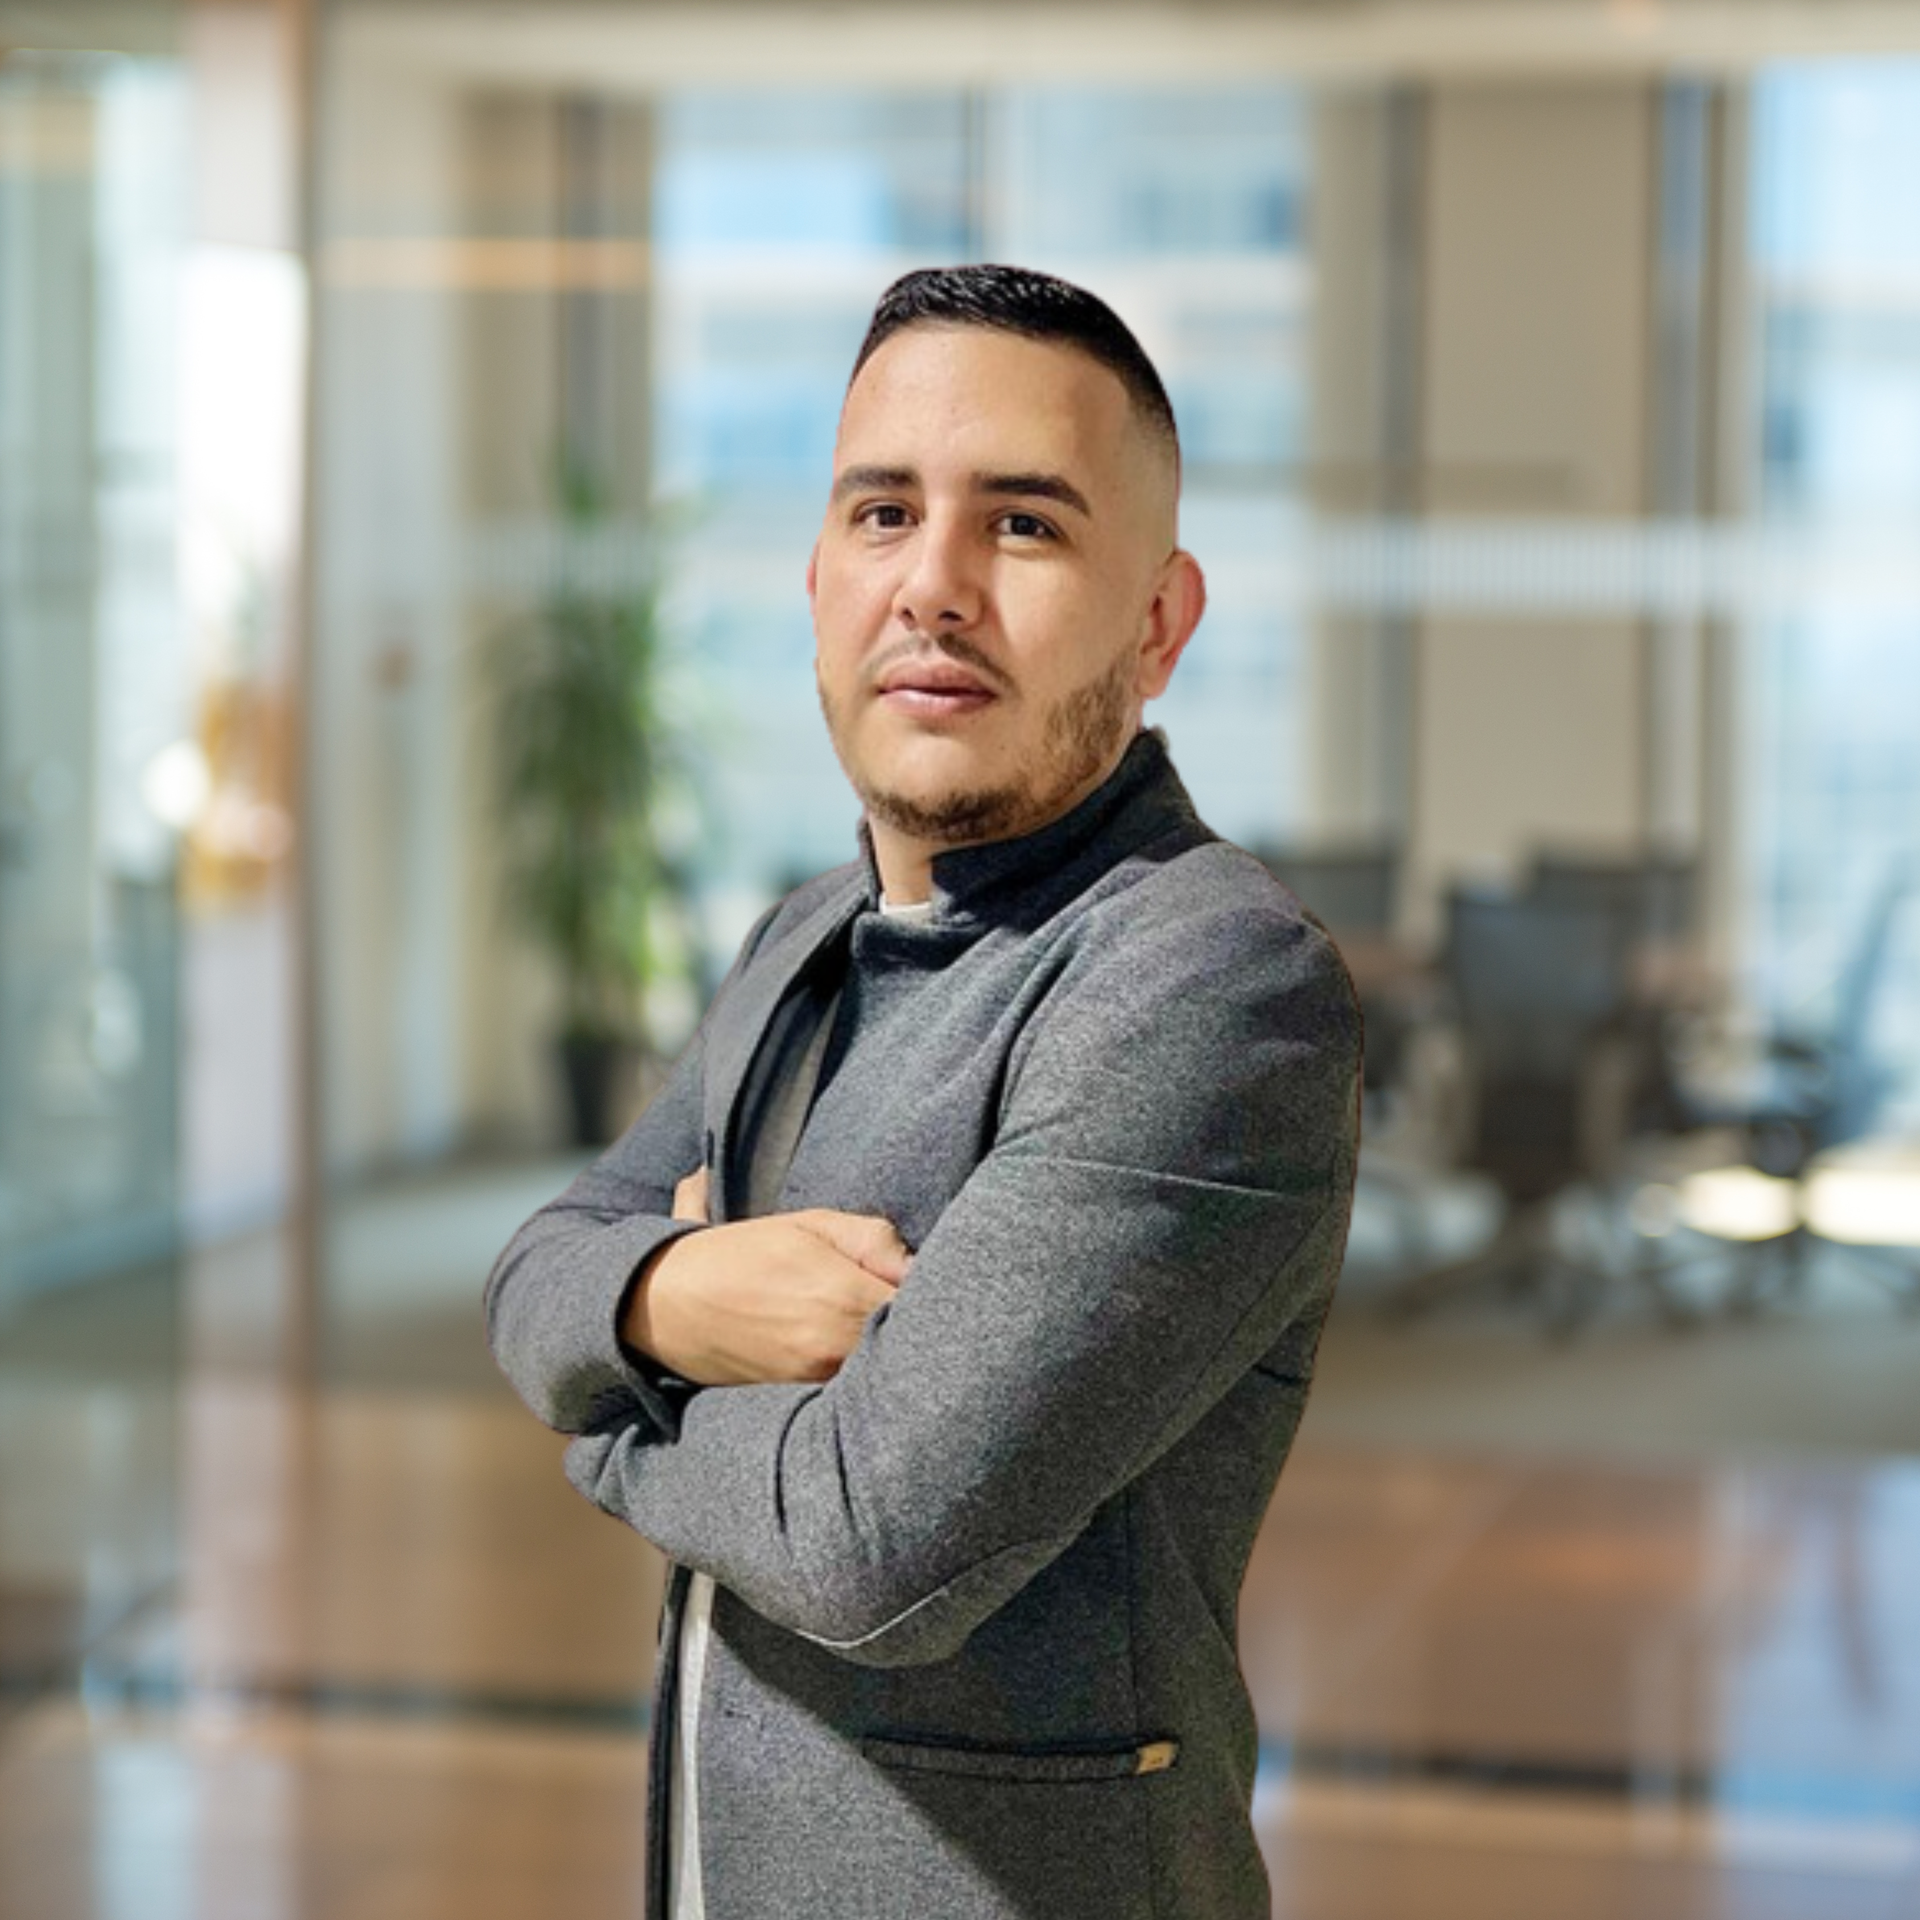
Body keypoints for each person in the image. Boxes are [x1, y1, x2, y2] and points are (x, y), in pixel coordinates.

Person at [486, 264, 1362, 1920]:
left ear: (1159, 622)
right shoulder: (803, 934)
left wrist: (604, 1406)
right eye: (885, 514)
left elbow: (868, 1545)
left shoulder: (1212, 984)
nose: (935, 586)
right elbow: (532, 1267)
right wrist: (673, 1297)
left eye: (1024, 525)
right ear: (821, 581)